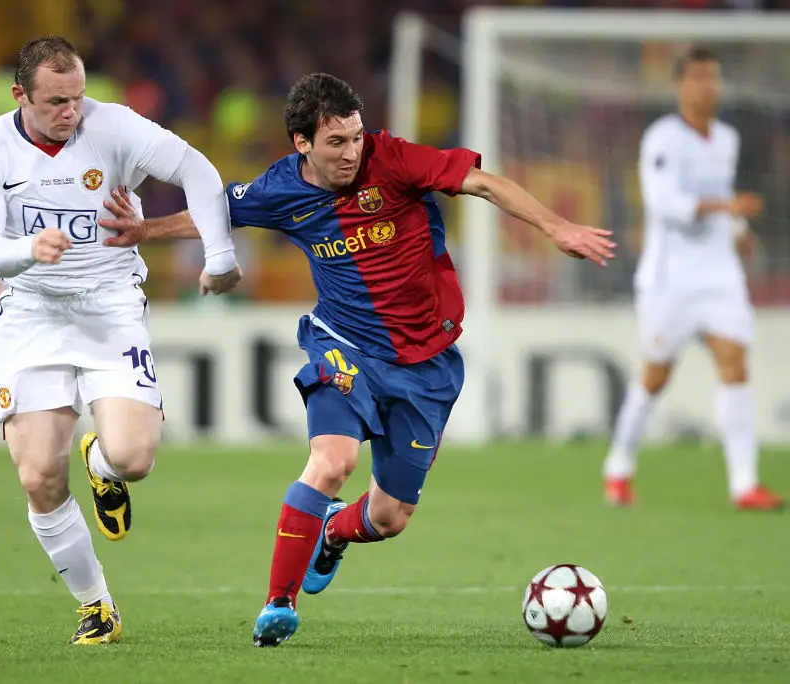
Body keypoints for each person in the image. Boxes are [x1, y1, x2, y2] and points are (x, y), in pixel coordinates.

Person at [98, 72, 615, 646]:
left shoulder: (393, 160)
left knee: (389, 517)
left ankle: (333, 534)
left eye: (356, 138)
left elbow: (482, 183)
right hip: (342, 344)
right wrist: (144, 229)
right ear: (302, 144)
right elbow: (217, 212)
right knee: (332, 461)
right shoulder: (280, 189)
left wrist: (556, 226)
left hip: (427, 361)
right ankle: (278, 604)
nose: (351, 152)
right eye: (336, 143)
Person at [0, 36, 241, 644]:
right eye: (57, 101)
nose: (71, 112)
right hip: (31, 313)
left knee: (134, 459)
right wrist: (25, 250)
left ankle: (101, 461)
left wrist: (219, 255)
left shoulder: (114, 128)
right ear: (20, 97)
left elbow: (198, 169)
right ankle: (97, 608)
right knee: (37, 476)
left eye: (78, 97)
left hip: (110, 307)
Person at [602, 48, 783, 511]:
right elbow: (665, 204)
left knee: (735, 365)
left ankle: (744, 484)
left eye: (714, 78)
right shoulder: (662, 138)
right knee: (656, 377)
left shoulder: (726, 137)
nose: (709, 87)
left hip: (720, 274)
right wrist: (729, 210)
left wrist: (738, 230)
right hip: (670, 279)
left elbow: (721, 198)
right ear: (680, 86)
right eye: (700, 78)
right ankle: (618, 467)